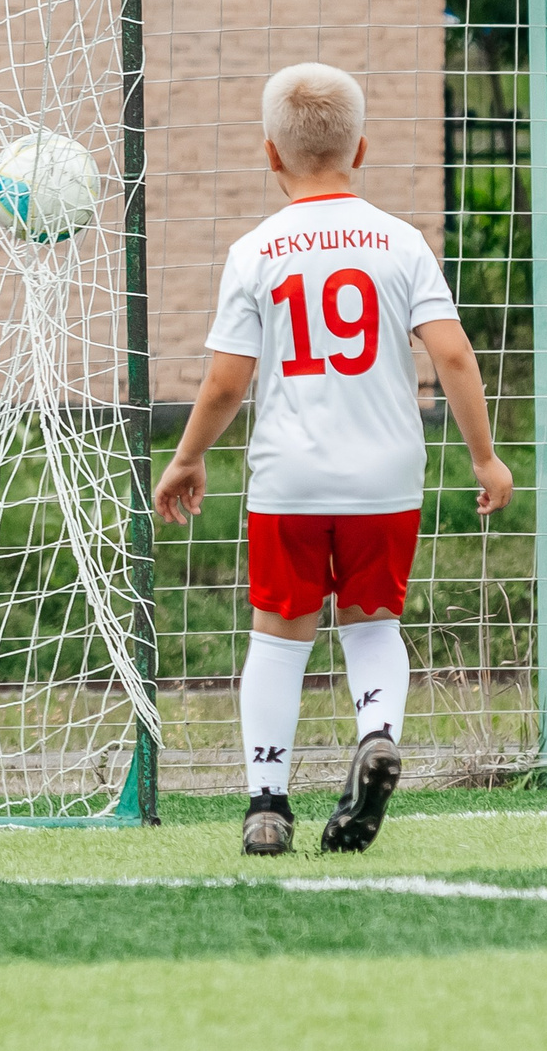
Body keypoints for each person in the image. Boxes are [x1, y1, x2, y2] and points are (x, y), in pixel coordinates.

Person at [154, 64, 514, 856]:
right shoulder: (400, 241)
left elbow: (225, 380)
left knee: (279, 638)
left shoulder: (257, 251)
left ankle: (267, 803)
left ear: (269, 156)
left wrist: (187, 458)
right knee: (372, 625)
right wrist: (484, 459)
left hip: (290, 478)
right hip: (386, 477)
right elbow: (453, 356)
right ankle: (377, 736)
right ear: (361, 145)